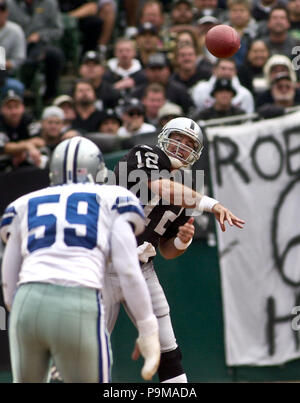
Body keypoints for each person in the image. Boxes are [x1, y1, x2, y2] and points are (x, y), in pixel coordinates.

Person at [0, 136, 160, 383]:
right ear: (98, 170)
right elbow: (128, 271)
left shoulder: (24, 203)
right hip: (77, 299)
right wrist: (148, 327)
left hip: (26, 304)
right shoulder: (111, 197)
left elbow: (8, 281)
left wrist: (26, 309)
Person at [103, 117, 245, 383]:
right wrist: (211, 204)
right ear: (164, 137)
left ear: (196, 152)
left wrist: (183, 240)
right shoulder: (143, 154)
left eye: (189, 143)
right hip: (104, 263)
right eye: (177, 138)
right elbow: (159, 187)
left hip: (141, 269)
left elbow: (168, 251)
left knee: (168, 349)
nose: (181, 146)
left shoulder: (186, 191)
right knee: (91, 347)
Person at [0, 90, 43, 171]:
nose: (13, 112)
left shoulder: (29, 118)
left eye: (16, 107)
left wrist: (23, 151)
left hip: (27, 161)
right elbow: (3, 147)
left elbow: (40, 140)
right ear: (2, 109)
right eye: (9, 107)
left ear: (22, 107)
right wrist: (27, 146)